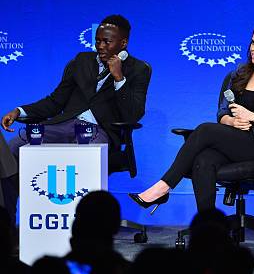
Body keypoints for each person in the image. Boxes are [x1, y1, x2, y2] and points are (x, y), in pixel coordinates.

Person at [130, 21, 254, 212]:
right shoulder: (239, 73)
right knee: (204, 160)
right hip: (232, 141)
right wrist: (232, 120)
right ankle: (208, 226)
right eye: (253, 42)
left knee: (204, 129)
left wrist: (250, 116)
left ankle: (163, 187)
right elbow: (222, 112)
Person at [1, 15, 151, 222]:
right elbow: (55, 101)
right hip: (63, 125)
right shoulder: (81, 61)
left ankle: (86, 226)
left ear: (123, 42)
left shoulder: (138, 69)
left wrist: (119, 78)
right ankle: (7, 223)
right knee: (10, 152)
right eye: (97, 40)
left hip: (100, 131)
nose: (100, 45)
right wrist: (19, 111)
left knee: (87, 159)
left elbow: (134, 114)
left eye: (107, 41)